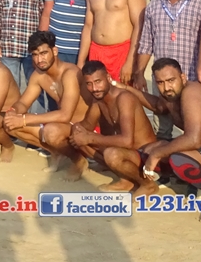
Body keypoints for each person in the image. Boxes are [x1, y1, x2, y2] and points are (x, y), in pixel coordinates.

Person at [113, 57, 201, 223]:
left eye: (171, 80)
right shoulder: (171, 96)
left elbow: (194, 140)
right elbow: (158, 106)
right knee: (150, 149)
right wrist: (125, 88)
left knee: (177, 159)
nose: (166, 87)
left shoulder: (192, 93)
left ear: (183, 77)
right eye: (160, 83)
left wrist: (158, 154)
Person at [134, 0, 201, 139]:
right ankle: (163, 154)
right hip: (162, 80)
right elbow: (146, 44)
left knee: (194, 126)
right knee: (162, 125)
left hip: (192, 78)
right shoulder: (153, 7)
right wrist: (139, 73)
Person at [0, 32, 92, 179]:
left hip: (82, 126)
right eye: (35, 55)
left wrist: (24, 119)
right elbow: (23, 102)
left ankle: (78, 160)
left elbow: (65, 115)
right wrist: (13, 111)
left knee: (51, 132)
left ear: (54, 51)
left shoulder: (70, 73)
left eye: (43, 53)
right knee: (9, 123)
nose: (39, 59)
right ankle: (56, 152)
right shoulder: (39, 75)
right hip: (62, 124)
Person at [66, 61, 160, 195]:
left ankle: (148, 185)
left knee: (111, 154)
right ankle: (126, 179)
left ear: (108, 78)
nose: (94, 88)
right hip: (127, 152)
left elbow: (127, 141)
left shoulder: (124, 98)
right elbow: (86, 126)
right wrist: (76, 130)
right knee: (79, 137)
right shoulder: (98, 100)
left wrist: (90, 138)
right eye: (89, 84)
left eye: (98, 82)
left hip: (145, 156)